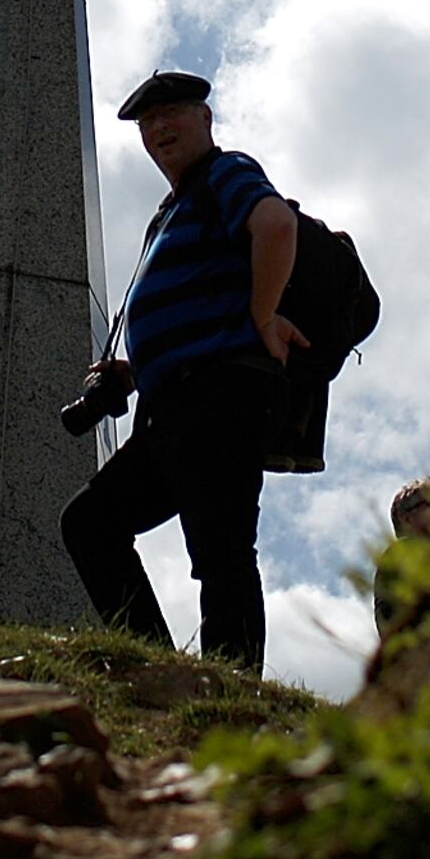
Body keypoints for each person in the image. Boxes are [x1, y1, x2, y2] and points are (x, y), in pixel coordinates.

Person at [60, 68, 310, 668]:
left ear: (206, 118)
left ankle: (229, 696)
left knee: (219, 550)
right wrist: (131, 373)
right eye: (148, 122)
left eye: (173, 112)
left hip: (223, 393)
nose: (159, 127)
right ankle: (158, 671)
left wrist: (262, 313)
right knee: (91, 523)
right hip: (173, 405)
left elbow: (276, 225)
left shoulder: (227, 172)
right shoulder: (170, 210)